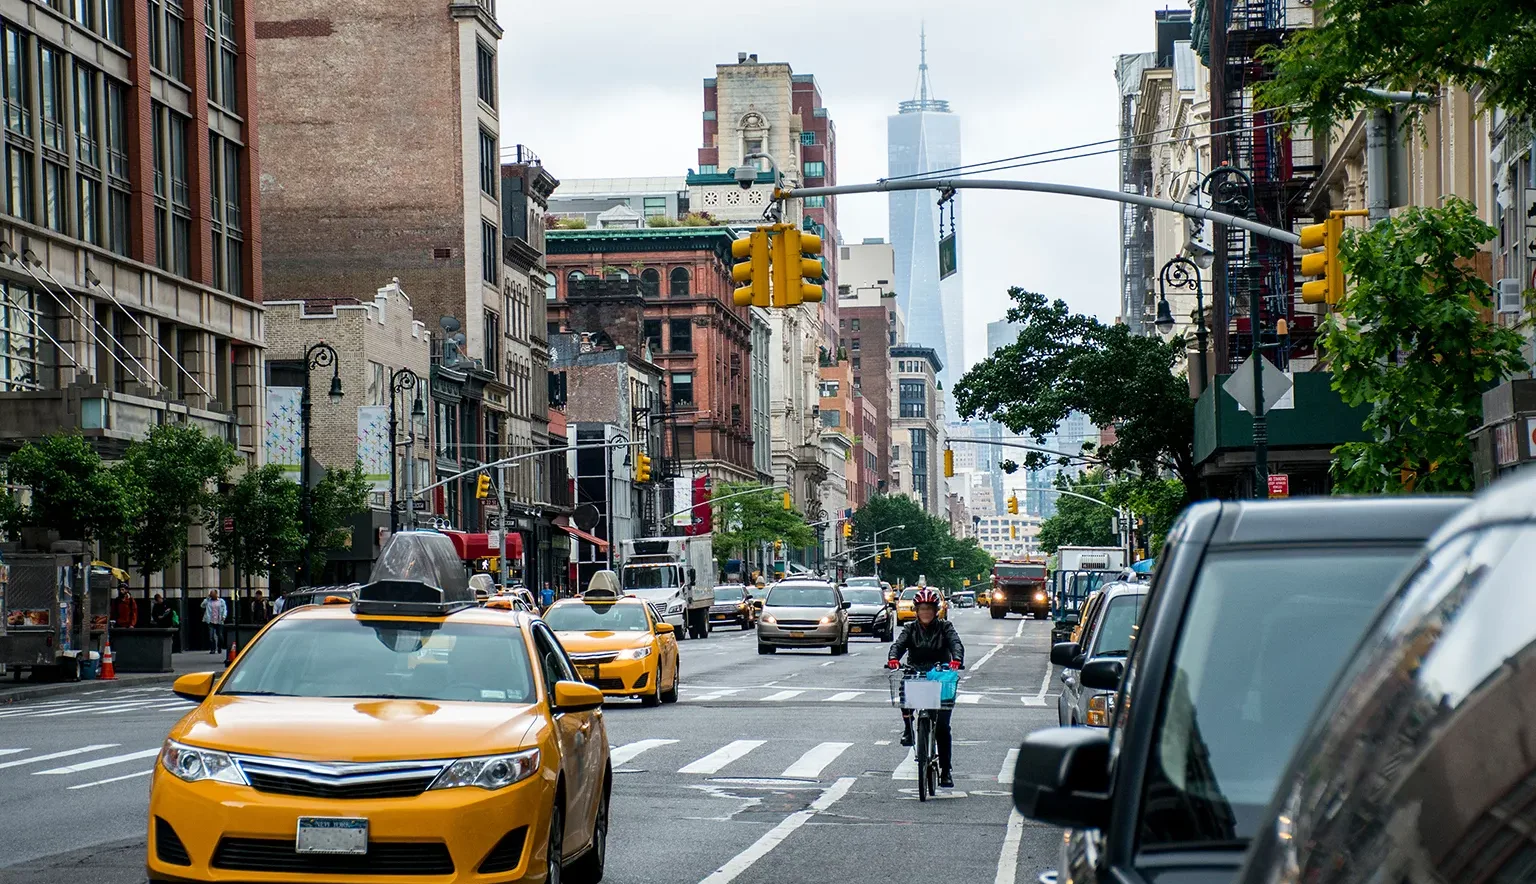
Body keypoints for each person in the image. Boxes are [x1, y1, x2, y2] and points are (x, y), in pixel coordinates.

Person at [886, 585, 965, 788]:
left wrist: (957, 659)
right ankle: (908, 729)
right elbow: (899, 645)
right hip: (917, 671)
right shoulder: (910, 628)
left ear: (936, 610)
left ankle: (946, 771)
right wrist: (894, 658)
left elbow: (956, 643)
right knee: (904, 683)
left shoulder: (945, 627)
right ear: (916, 611)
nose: (925, 612)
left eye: (929, 608)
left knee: (942, 728)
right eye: (922, 609)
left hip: (940, 675)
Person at [201, 589, 227, 655]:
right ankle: (213, 649)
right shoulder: (208, 601)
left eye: (212, 594)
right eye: (211, 594)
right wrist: (207, 598)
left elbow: (225, 609)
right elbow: (202, 605)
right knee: (211, 636)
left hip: (219, 621)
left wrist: (224, 616)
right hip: (210, 621)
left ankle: (219, 647)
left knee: (220, 636)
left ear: (216, 594)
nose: (212, 595)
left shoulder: (221, 601)